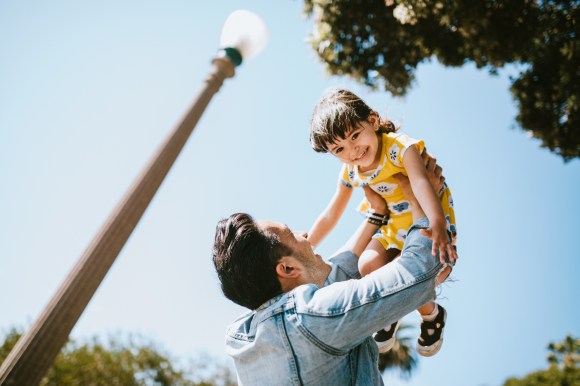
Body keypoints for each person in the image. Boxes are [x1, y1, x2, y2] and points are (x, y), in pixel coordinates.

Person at [212, 156, 451, 385]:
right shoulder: (311, 318)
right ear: (286, 268)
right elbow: (419, 270)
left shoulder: (244, 335)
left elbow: (334, 276)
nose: (304, 234)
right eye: (291, 234)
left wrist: (376, 215)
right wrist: (417, 197)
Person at [308, 88, 458, 357]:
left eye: (355, 135)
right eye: (339, 148)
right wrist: (307, 248)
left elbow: (422, 182)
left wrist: (436, 221)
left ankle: (432, 315)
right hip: (392, 226)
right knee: (367, 263)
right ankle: (390, 313)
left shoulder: (399, 148)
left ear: (373, 121)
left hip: (423, 214)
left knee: (412, 272)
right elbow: (331, 215)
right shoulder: (351, 172)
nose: (353, 150)